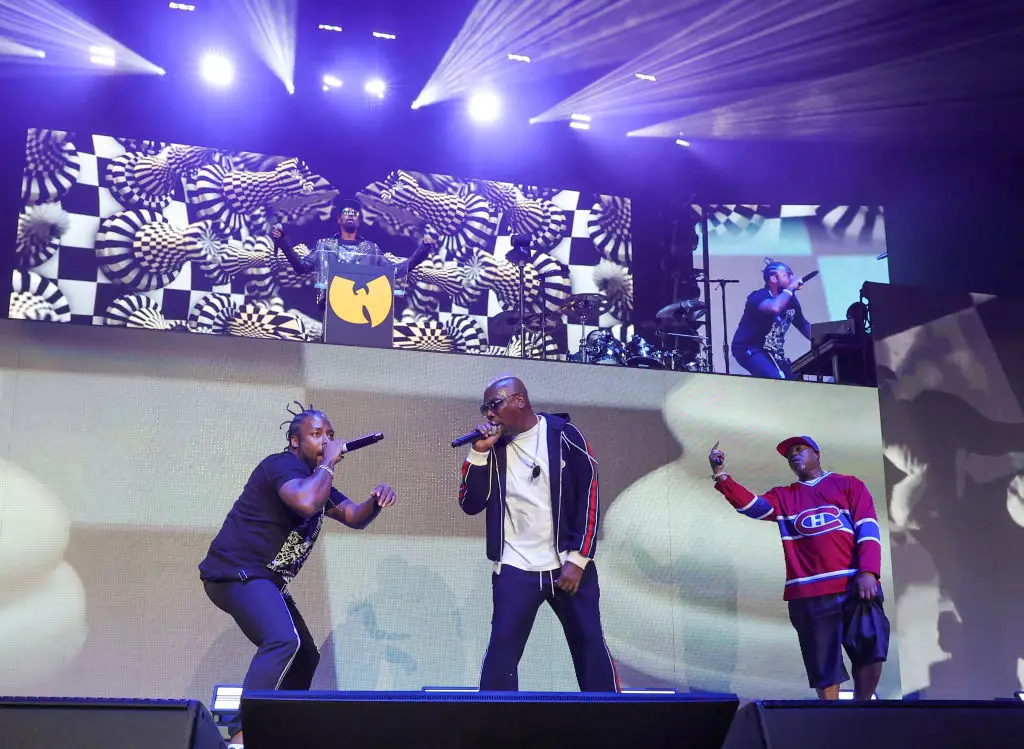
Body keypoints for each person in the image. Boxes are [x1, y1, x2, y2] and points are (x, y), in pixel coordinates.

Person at [199, 403, 397, 748]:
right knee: (281, 640)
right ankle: (245, 734)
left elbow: (353, 516)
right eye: (317, 434)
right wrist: (329, 463)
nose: (326, 441)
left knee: (305, 654)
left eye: (331, 436)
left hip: (264, 579)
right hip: (236, 572)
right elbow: (305, 502)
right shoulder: (281, 466)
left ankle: (281, 730)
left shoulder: (318, 482)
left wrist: (375, 502)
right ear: (294, 441)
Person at [458, 376, 619, 692]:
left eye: (494, 405)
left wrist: (579, 559)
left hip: (567, 563)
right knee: (501, 653)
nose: (489, 414)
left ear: (519, 401)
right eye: (485, 408)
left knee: (590, 645)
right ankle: (494, 729)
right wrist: (477, 453)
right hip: (516, 567)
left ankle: (609, 726)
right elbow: (470, 503)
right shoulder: (493, 448)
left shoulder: (564, 435)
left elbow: (590, 492)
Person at [707, 436, 889, 700]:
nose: (794, 455)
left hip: (853, 584)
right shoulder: (784, 496)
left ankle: (862, 709)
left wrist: (868, 571)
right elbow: (752, 506)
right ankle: (832, 722)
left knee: (870, 647)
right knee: (822, 663)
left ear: (816, 453)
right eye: (790, 453)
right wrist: (721, 475)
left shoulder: (848, 485)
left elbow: (868, 528)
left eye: (800, 449)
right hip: (808, 593)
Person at [270, 196, 434, 304]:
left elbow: (396, 271)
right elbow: (300, 267)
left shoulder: (371, 249)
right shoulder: (324, 245)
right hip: (330, 307)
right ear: (338, 219)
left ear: (359, 221)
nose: (350, 215)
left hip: (361, 308)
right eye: (346, 212)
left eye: (355, 213)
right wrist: (283, 241)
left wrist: (422, 251)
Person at [731, 260, 812, 379]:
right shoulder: (759, 296)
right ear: (773, 279)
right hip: (749, 348)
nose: (792, 278)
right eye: (787, 275)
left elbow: (803, 324)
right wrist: (790, 288)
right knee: (778, 379)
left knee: (795, 381)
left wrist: (824, 338)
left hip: (772, 352)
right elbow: (775, 307)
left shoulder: (791, 300)